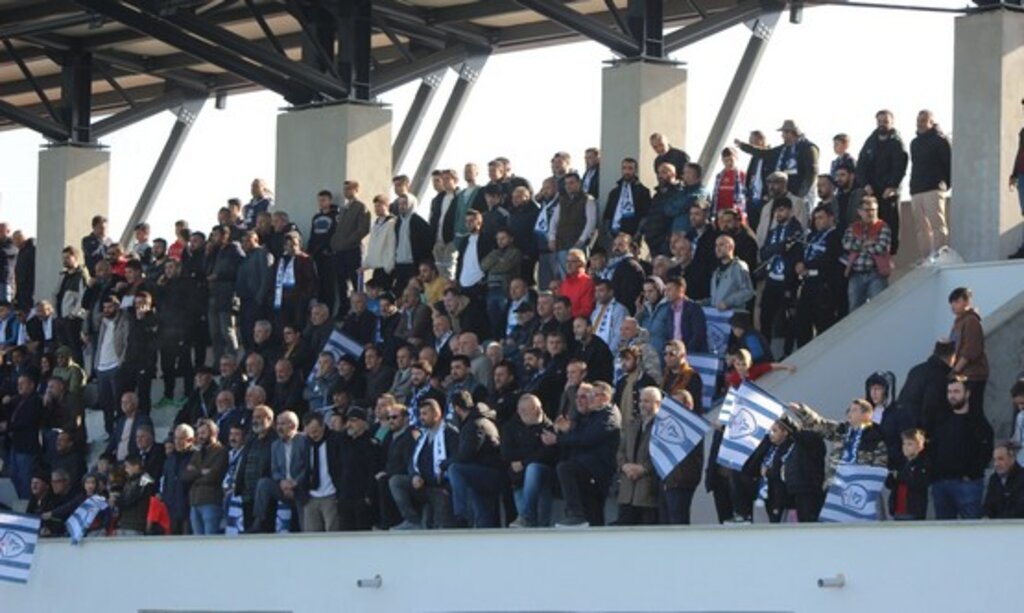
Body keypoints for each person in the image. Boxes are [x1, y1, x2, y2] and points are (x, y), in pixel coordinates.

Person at [546, 382, 622, 527]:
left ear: (605, 397)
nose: (590, 399)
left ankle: (575, 514)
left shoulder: (609, 416)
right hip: (587, 467)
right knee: (593, 513)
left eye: (594, 395)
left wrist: (558, 439)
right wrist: (566, 432)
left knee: (565, 469)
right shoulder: (591, 416)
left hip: (598, 470)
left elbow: (588, 438)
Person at [788, 398, 888, 492]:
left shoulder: (875, 440)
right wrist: (802, 411)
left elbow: (879, 470)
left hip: (858, 493)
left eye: (854, 410)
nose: (849, 414)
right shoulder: (841, 431)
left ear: (866, 415)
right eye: (849, 410)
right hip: (834, 489)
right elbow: (820, 424)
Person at [929, 377, 994, 520]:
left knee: (971, 528)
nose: (952, 395)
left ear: (967, 393)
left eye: (956, 391)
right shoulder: (940, 421)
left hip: (968, 484)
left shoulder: (979, 423)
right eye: (949, 392)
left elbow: (986, 452)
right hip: (941, 483)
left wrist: (971, 474)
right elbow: (931, 448)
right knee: (943, 529)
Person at [390, 399, 459, 530]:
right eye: (420, 414)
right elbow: (412, 461)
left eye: (425, 414)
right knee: (396, 481)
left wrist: (443, 469)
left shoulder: (450, 433)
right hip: (422, 485)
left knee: (441, 526)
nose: (421, 417)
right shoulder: (423, 435)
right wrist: (414, 475)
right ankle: (412, 520)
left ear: (436, 414)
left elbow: (456, 458)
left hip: (441, 487)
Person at [443, 392, 503, 528]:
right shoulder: (480, 420)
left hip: (489, 473)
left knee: (455, 469)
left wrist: (444, 464)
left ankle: (461, 515)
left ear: (457, 408)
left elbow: (466, 455)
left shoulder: (474, 424)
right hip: (487, 471)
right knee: (484, 514)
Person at [856, 110, 908, 254]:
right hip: (872, 193)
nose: (882, 124)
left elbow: (900, 166)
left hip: (888, 193)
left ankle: (889, 255)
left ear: (891, 122)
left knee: (890, 225)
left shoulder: (897, 143)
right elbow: (861, 166)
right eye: (879, 121)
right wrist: (865, 184)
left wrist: (892, 186)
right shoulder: (870, 142)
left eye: (885, 121)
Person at [501, 394, 557, 528]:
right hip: (518, 478)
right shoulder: (511, 427)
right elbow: (506, 453)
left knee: (533, 469)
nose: (521, 413)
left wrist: (523, 462)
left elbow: (547, 454)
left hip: (543, 476)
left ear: (537, 409)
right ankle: (526, 518)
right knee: (527, 528)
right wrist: (531, 452)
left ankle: (525, 516)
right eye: (520, 410)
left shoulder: (549, 428)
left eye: (525, 410)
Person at [794, 205, 844, 346]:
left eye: (821, 218)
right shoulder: (812, 236)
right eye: (815, 219)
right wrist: (799, 264)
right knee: (802, 324)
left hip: (824, 286)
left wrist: (807, 265)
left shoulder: (836, 235)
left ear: (831, 218)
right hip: (807, 284)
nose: (817, 221)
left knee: (823, 325)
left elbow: (830, 258)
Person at [614, 385, 660, 526]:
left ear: (657, 403)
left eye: (646, 401)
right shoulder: (632, 424)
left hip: (648, 492)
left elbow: (661, 455)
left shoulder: (661, 426)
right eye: (641, 401)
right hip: (627, 492)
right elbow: (621, 451)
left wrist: (644, 468)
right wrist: (625, 466)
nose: (642, 404)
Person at [909, 110, 952, 258]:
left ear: (931, 122)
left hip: (934, 188)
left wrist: (945, 185)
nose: (919, 123)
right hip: (917, 189)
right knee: (921, 228)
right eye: (918, 120)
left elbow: (948, 164)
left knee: (937, 224)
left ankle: (940, 255)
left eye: (923, 120)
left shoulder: (940, 140)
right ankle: (926, 257)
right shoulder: (914, 143)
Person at [843, 196, 892, 311]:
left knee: (880, 308)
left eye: (873, 210)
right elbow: (846, 244)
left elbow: (881, 248)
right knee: (855, 309)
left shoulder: (883, 227)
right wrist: (867, 243)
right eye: (867, 210)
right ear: (859, 212)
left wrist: (858, 245)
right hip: (856, 274)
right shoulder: (853, 228)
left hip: (876, 273)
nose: (871, 213)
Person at [182, 418, 228, 535]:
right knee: (197, 541)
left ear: (213, 433)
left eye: (203, 433)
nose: (200, 436)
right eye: (198, 433)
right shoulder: (197, 452)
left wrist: (195, 475)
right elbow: (186, 476)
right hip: (194, 501)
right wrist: (201, 472)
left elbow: (213, 476)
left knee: (210, 539)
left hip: (210, 501)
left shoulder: (221, 451)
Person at [233, 404, 275, 531]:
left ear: (269, 419)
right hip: (247, 492)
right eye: (254, 417)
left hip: (265, 495)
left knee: (264, 530)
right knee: (249, 531)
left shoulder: (275, 439)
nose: (255, 420)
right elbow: (243, 463)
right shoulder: (251, 439)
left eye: (259, 417)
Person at [1, 372, 44, 497]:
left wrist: (8, 426)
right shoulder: (17, 399)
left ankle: (26, 504)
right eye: (18, 383)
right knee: (14, 476)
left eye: (22, 383)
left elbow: (28, 420)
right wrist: (5, 403)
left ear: (31, 385)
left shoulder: (36, 400)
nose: (19, 386)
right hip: (14, 445)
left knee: (25, 478)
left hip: (27, 447)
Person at [337, 407, 380, 531]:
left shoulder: (371, 444)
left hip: (362, 497)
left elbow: (373, 471)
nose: (349, 424)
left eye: (353, 420)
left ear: (363, 423)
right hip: (345, 496)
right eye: (348, 421)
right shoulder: (343, 442)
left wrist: (369, 495)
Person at [948, 287, 989, 416]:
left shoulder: (971, 321)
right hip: (962, 374)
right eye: (952, 302)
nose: (953, 306)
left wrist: (956, 369)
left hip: (972, 374)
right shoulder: (958, 322)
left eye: (957, 301)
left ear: (966, 302)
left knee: (972, 410)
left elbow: (971, 350)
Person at [549, 172, 598, 274]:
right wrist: (552, 238)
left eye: (571, 183)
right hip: (562, 244)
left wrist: (581, 240)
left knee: (579, 273)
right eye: (566, 183)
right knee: (565, 275)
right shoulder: (562, 200)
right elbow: (554, 221)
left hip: (578, 244)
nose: (568, 186)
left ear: (579, 183)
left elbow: (591, 222)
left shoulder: (588, 200)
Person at [886, 428, 931, 521]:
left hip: (913, 510)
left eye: (910, 444)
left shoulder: (923, 464)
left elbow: (918, 483)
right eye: (904, 444)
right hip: (898, 510)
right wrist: (890, 476)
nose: (905, 447)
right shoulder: (901, 463)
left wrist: (900, 476)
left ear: (920, 447)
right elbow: (890, 485)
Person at [392, 196, 433, 292]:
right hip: (400, 264)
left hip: (413, 265)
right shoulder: (398, 222)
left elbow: (428, 241)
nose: (401, 206)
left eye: (404, 203)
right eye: (399, 204)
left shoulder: (418, 221)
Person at [604, 157, 651, 240]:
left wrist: (638, 233)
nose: (627, 171)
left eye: (630, 168)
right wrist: (608, 232)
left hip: (633, 234)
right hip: (615, 233)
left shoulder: (643, 192)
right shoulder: (614, 192)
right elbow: (608, 214)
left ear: (636, 170)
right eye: (624, 168)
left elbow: (646, 215)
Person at [708, 235, 755, 312]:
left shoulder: (739, 266)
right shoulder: (716, 271)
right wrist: (701, 303)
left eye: (721, 245)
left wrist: (727, 303)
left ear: (731, 247)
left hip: (733, 315)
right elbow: (716, 299)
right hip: (716, 315)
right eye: (716, 245)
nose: (717, 248)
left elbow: (748, 291)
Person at [114, 454, 156, 536]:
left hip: (136, 524)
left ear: (136, 466)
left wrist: (118, 501)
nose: (126, 470)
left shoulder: (145, 479)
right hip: (125, 522)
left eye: (128, 467)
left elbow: (132, 498)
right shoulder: (130, 480)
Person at [983, 442, 1024, 519]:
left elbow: (1020, 508)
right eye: (994, 460)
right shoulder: (994, 479)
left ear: (1012, 459)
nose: (996, 464)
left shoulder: (1022, 478)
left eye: (1000, 459)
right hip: (996, 524)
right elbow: (988, 506)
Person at [712, 147, 747, 215]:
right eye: (726, 161)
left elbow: (745, 195)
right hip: (720, 212)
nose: (729, 163)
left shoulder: (741, 175)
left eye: (731, 160)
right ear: (722, 160)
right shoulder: (719, 176)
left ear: (736, 158)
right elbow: (715, 196)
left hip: (735, 213)